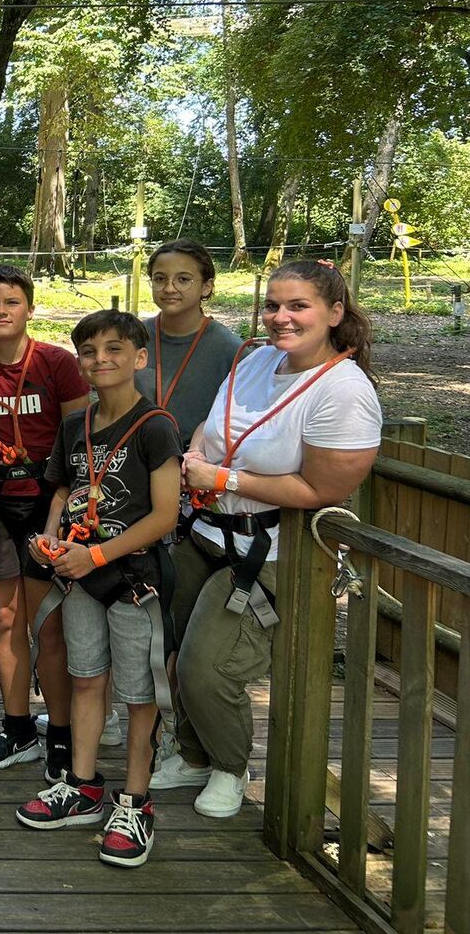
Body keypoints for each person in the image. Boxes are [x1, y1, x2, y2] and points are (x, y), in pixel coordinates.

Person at [149, 260, 381, 818]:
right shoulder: (257, 361)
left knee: (207, 666)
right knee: (173, 646)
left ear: (334, 313)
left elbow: (323, 487)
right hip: (205, 533)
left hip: (268, 551)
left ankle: (230, 766)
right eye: (273, 305)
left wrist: (224, 479)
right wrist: (197, 454)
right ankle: (194, 754)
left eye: (298, 306)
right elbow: (214, 424)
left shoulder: (343, 391)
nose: (281, 317)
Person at [16, 311, 181, 868]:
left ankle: (135, 801)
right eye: (89, 351)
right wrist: (50, 536)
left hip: (132, 581)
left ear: (140, 357)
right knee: (86, 678)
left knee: (139, 695)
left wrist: (98, 556)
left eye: (114, 349)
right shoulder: (75, 426)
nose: (100, 359)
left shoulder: (155, 426)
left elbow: (164, 516)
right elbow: (64, 491)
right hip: (79, 576)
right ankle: (82, 784)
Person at [0, 264, 89, 779]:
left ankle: (62, 735)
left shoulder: (57, 363)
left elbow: (81, 437)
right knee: (5, 618)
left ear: (29, 307)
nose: (0, 311)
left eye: (11, 302)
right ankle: (17, 728)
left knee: (47, 623)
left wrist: (65, 511)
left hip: (49, 503)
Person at [135, 239, 243, 441]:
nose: (169, 288)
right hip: (133, 450)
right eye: (160, 279)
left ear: (206, 287)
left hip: (196, 454)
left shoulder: (232, 351)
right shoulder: (132, 337)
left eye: (183, 279)